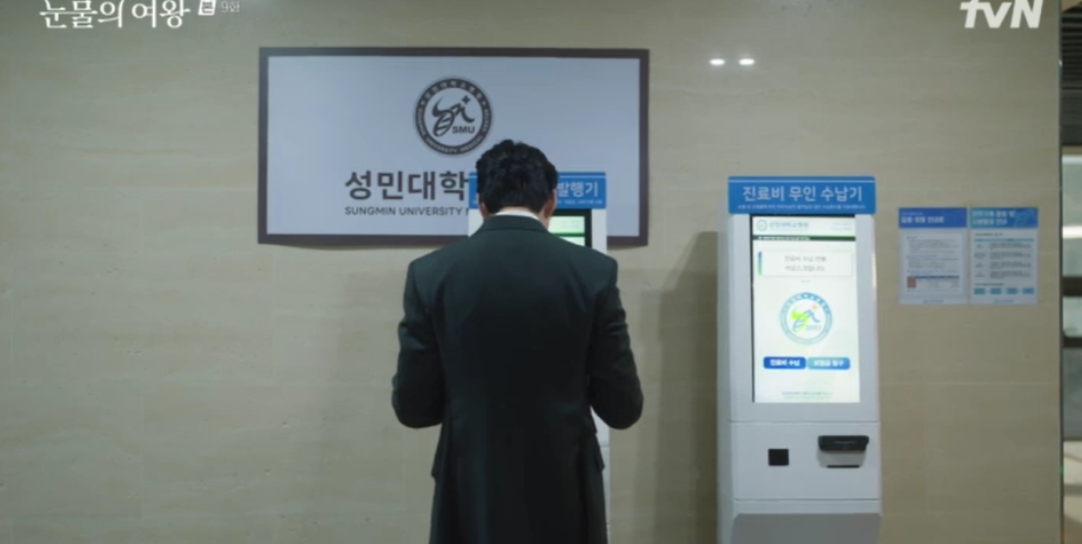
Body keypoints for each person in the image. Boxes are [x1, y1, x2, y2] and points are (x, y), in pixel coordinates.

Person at [392, 139, 644, 544]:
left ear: (481, 204)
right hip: (566, 488)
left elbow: (414, 407)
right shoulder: (594, 272)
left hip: (471, 486)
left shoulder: (430, 274)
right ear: (552, 201)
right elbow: (623, 407)